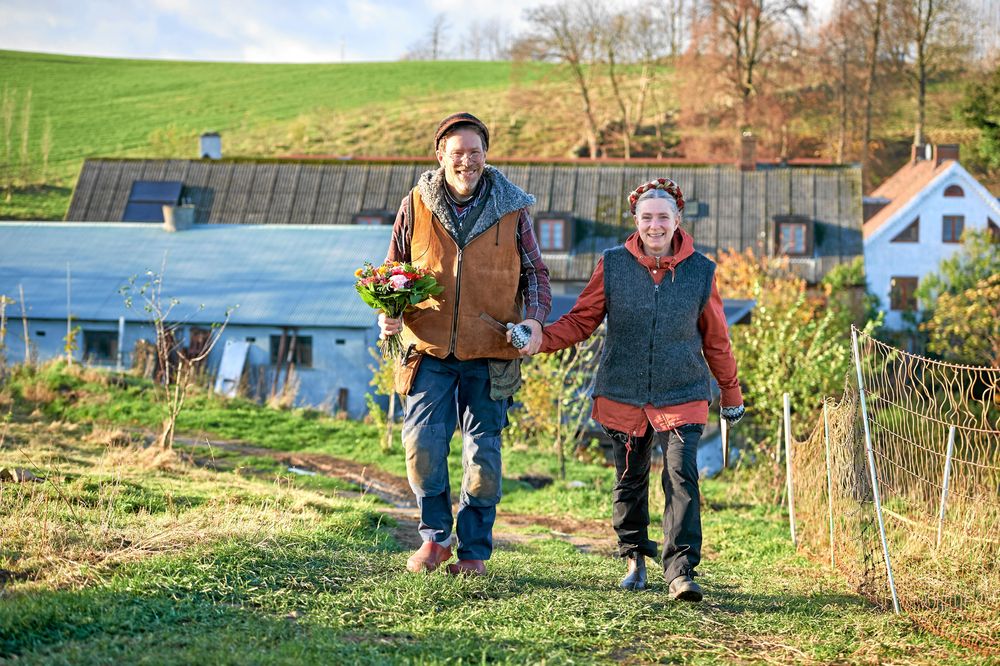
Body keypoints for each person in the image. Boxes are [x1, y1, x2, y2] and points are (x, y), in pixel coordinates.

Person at [530, 177, 744, 600]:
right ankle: (634, 557)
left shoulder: (702, 272)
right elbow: (581, 319)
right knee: (630, 478)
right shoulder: (612, 264)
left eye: (663, 217)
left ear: (677, 219)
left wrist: (731, 394)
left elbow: (717, 338)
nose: (655, 226)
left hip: (682, 391)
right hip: (623, 391)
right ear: (636, 220)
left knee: (682, 475)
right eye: (647, 217)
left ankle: (681, 571)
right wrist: (540, 338)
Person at [379, 112, 551, 577]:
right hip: (427, 348)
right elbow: (393, 268)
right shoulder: (415, 204)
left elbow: (536, 273)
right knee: (422, 447)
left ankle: (473, 552)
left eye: (475, 152)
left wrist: (534, 321)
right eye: (457, 153)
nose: (466, 161)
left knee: (484, 459)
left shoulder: (513, 207)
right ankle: (435, 540)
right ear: (440, 156)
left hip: (491, 349)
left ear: (486, 155)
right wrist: (389, 310)